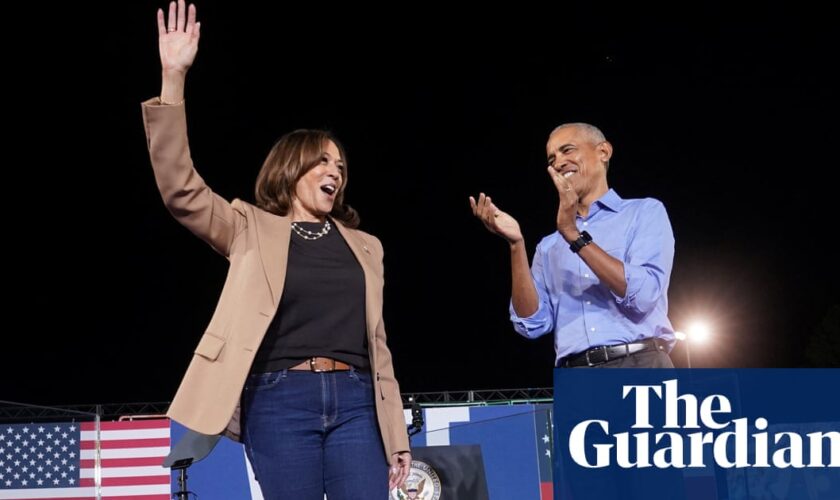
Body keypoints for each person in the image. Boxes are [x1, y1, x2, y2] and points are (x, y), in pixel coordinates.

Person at [141, 2, 411, 498]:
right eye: (322, 161)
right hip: (279, 399)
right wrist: (173, 78)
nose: (335, 171)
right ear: (291, 168)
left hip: (357, 403)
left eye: (341, 166)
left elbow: (380, 347)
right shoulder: (248, 226)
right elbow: (180, 188)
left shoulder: (366, 247)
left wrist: (396, 435)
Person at [470, 122, 676, 368]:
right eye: (551, 159)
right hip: (576, 376)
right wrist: (516, 244)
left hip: (640, 364)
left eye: (567, 150)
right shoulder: (548, 247)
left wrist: (572, 234)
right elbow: (531, 325)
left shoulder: (644, 212)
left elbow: (643, 295)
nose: (558, 162)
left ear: (603, 152)